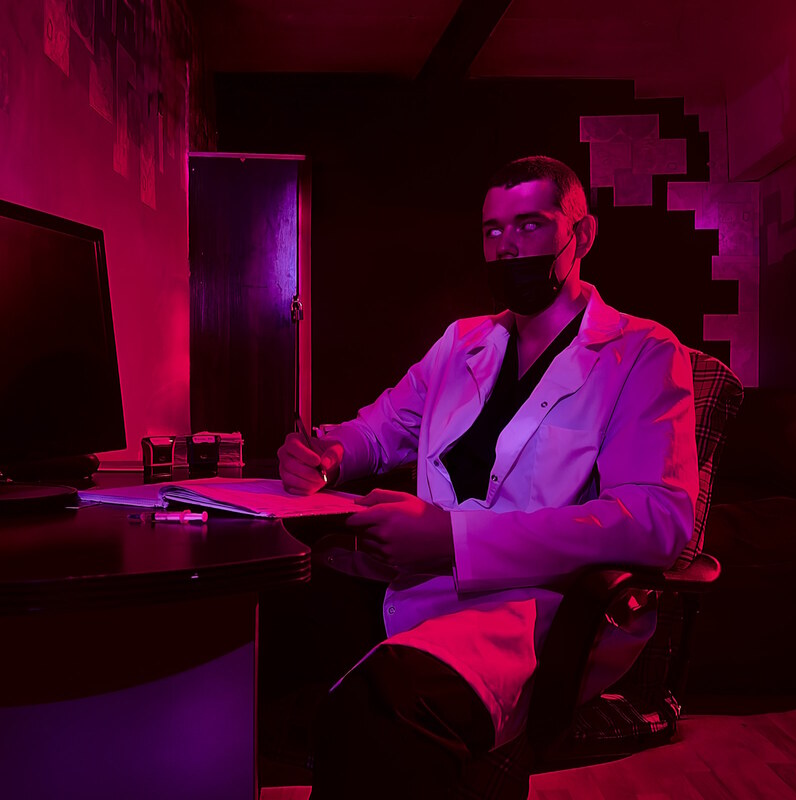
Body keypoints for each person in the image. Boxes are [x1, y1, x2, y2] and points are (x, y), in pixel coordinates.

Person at [274, 155, 698, 798]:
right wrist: (327, 453)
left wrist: (452, 539)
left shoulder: (642, 353)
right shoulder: (461, 344)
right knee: (256, 632)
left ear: (582, 235)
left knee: (381, 711)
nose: (507, 247)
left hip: (538, 609)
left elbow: (655, 522)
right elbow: (378, 430)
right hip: (416, 583)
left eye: (530, 225)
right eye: (493, 230)